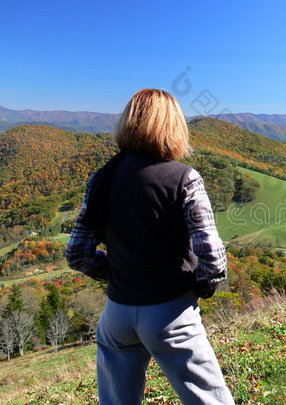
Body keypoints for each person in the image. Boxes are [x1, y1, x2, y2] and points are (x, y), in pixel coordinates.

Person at [65, 88, 235, 404]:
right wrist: (199, 286)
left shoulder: (101, 178)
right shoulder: (185, 178)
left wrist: (114, 273)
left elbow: (76, 253)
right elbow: (213, 258)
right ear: (174, 127)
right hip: (171, 311)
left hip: (116, 315)